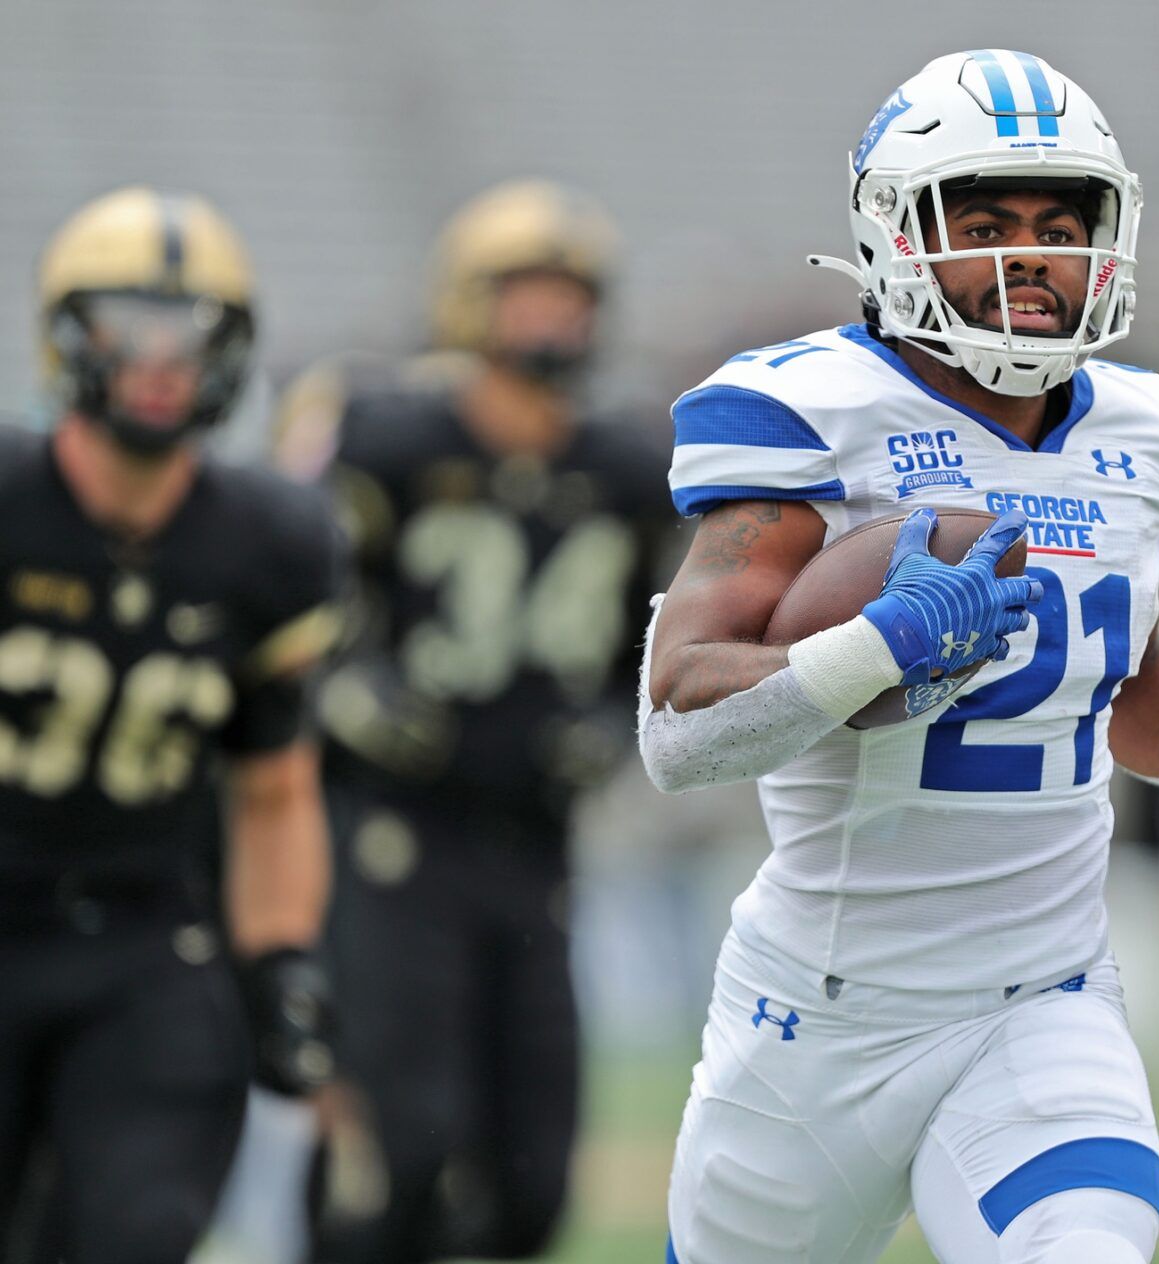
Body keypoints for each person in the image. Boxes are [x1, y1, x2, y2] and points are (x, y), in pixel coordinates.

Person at [640, 50, 1159, 1263]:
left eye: (1057, 223)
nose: (1030, 254)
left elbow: (1116, 650)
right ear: (896, 236)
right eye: (983, 222)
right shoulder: (814, 411)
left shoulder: (1146, 431)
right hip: (821, 1016)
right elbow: (678, 728)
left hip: (1044, 996)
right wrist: (882, 644)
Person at [298, 179, 673, 1263]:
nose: (553, 322)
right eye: (529, 295)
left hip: (533, 849)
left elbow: (634, 651)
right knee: (403, 1152)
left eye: (570, 297)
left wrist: (612, 717)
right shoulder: (386, 437)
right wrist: (345, 688)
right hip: (391, 844)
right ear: (469, 302)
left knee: (534, 1181)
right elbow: (294, 605)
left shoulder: (623, 471)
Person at [0, 187, 340, 1262]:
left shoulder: (271, 542)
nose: (160, 359)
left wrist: (282, 956)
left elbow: (274, 785)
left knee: (140, 1230)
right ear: (69, 336)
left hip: (150, 931)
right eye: (129, 326)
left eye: (191, 333)